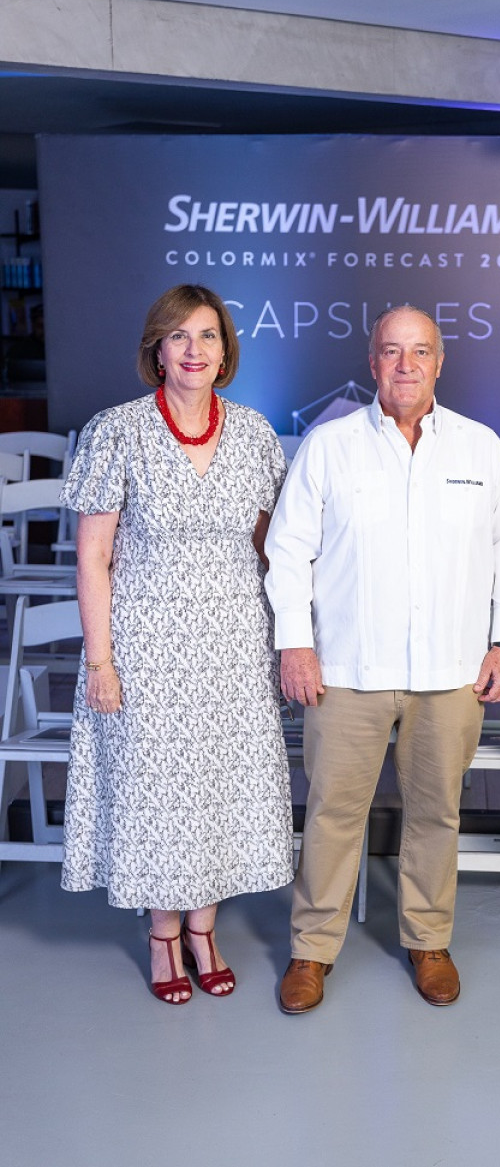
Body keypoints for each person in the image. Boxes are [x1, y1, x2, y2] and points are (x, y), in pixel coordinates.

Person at [265, 304, 500, 1012]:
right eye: (392, 351)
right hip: (347, 670)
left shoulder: (481, 449)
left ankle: (428, 940)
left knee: (435, 812)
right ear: (372, 362)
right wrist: (295, 639)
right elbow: (288, 548)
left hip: (449, 672)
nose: (406, 364)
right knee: (329, 814)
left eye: (420, 351)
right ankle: (311, 950)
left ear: (441, 363)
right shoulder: (330, 447)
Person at [60, 283, 293, 1004]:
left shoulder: (254, 431)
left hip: (233, 645)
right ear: (156, 350)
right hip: (145, 646)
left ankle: (205, 927)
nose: (195, 350)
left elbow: (271, 547)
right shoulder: (117, 430)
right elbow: (92, 555)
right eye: (180, 336)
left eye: (209, 336)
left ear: (227, 350)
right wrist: (100, 659)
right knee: (156, 789)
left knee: (218, 785)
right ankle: (163, 934)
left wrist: (292, 633)